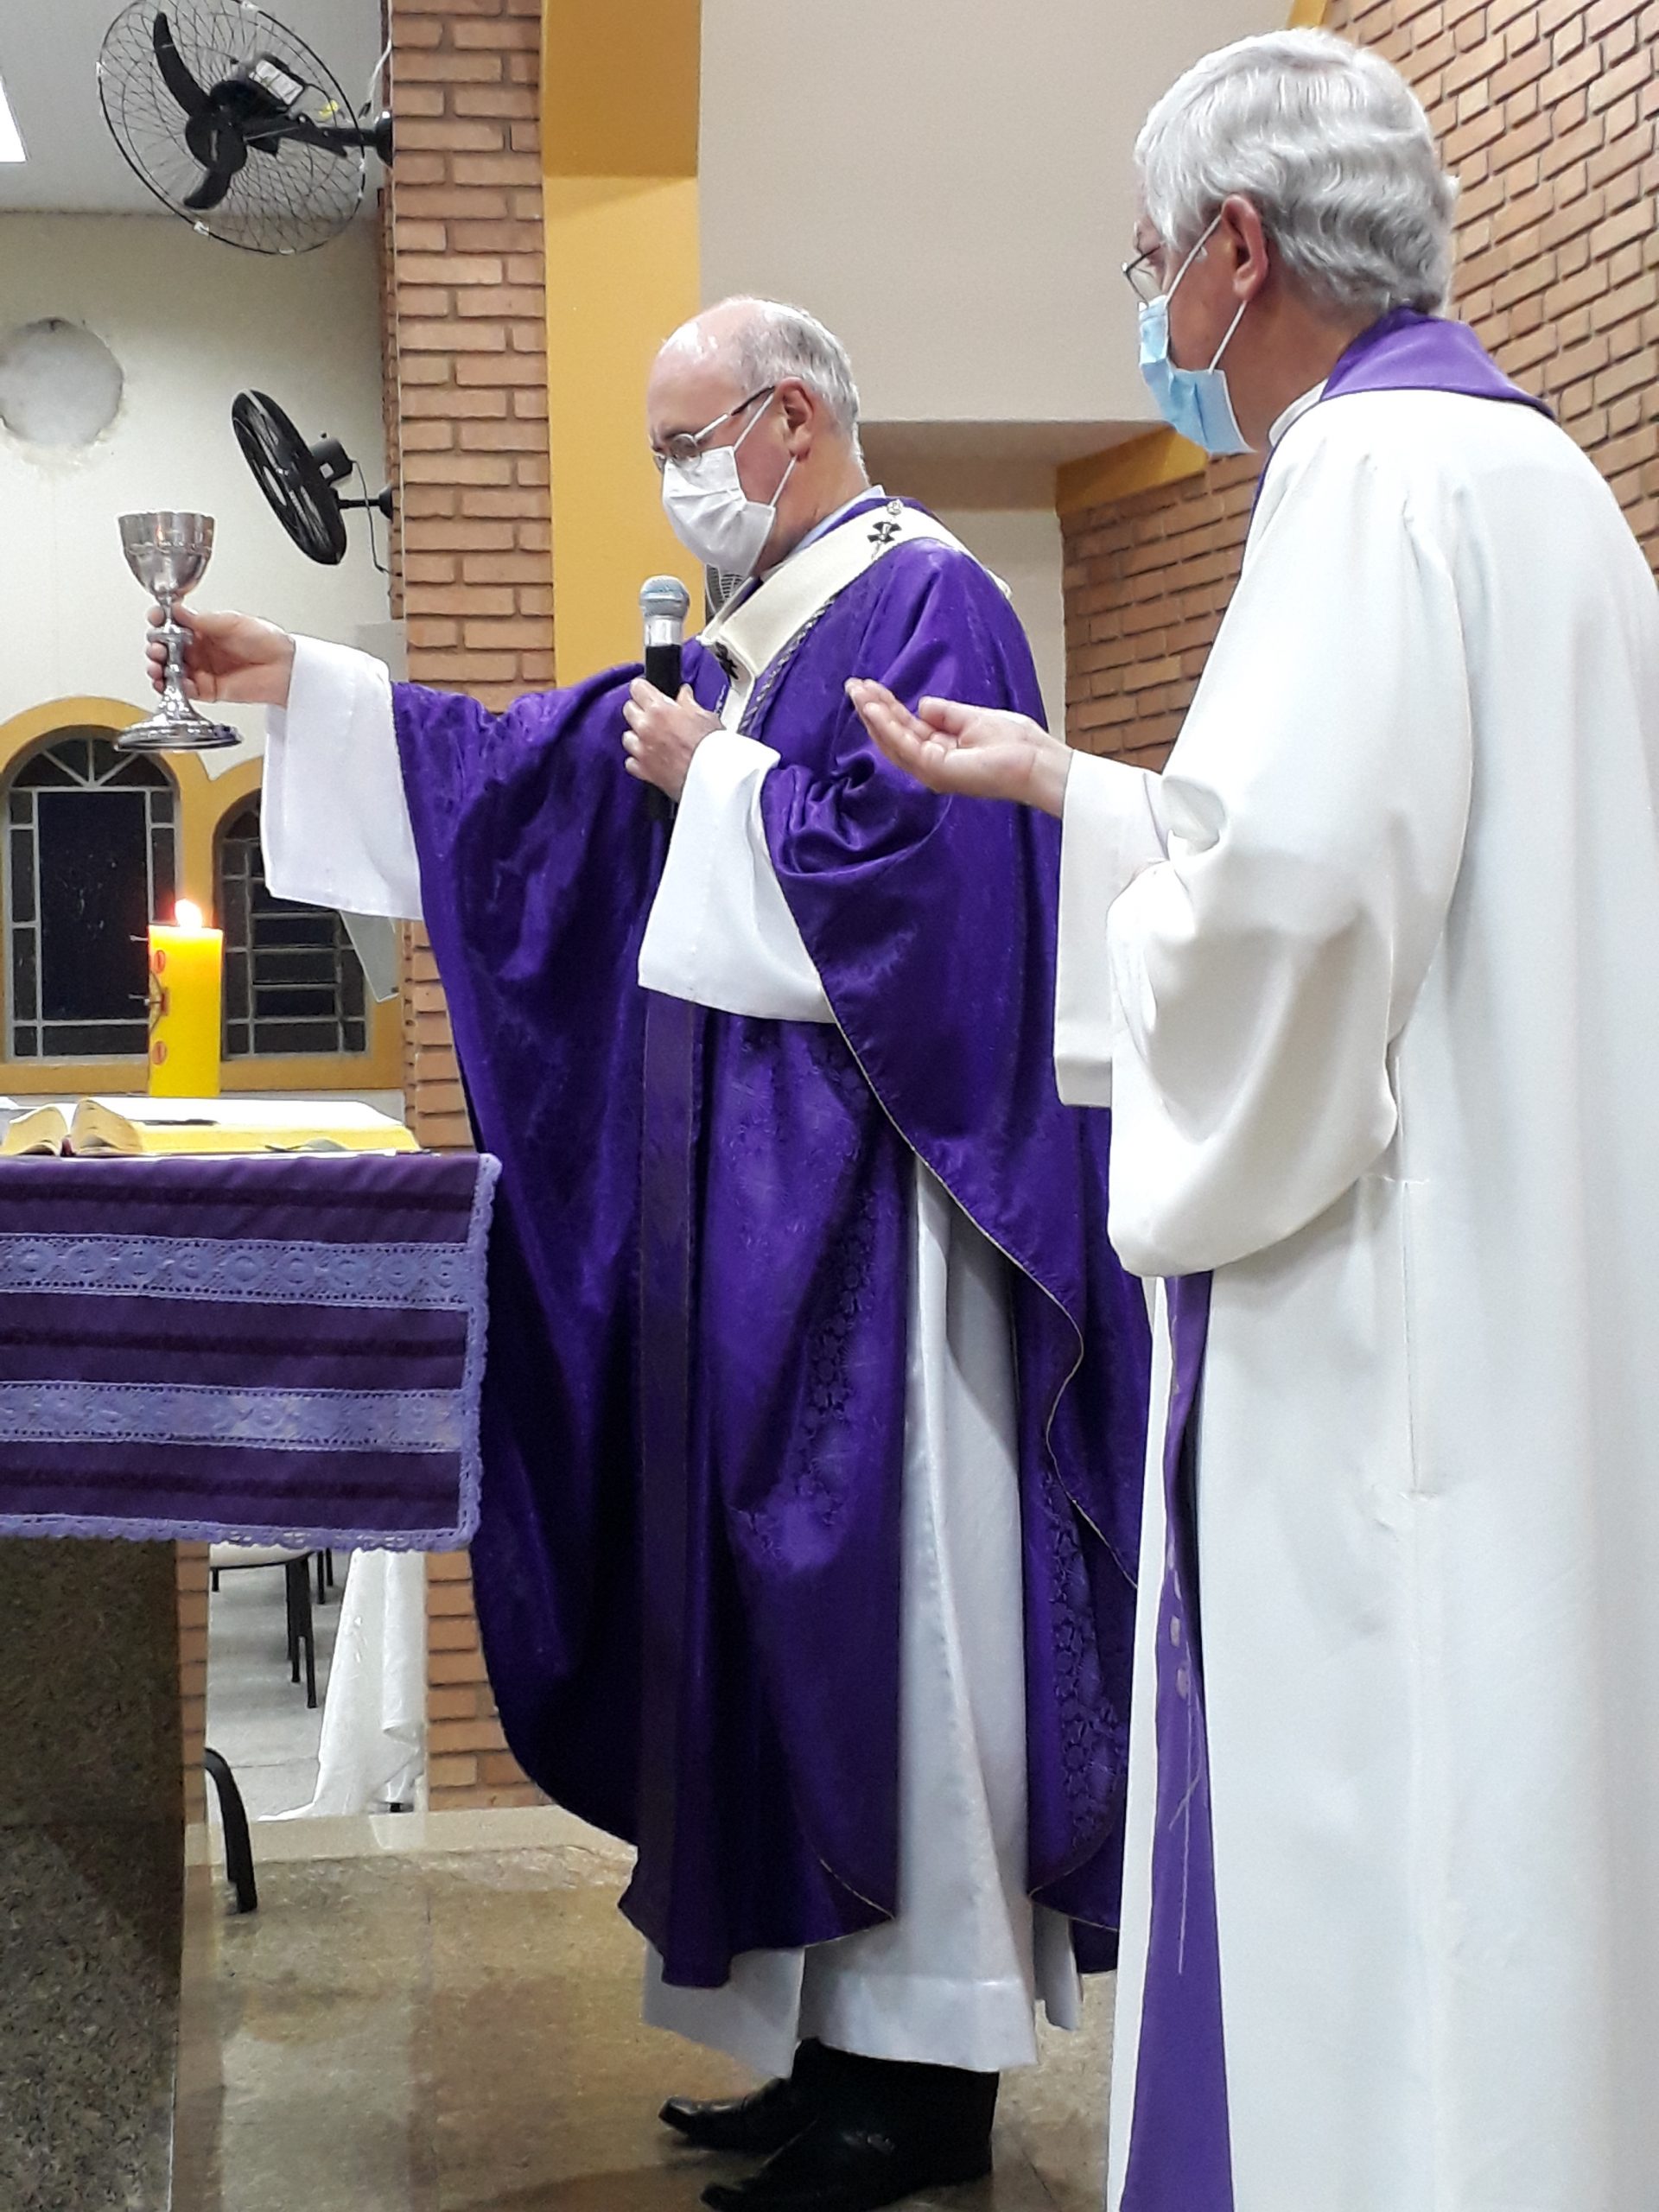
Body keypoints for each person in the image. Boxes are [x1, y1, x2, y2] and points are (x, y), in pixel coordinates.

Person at [156, 298, 1150, 2212]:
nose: (676, 479)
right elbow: (552, 769)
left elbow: (928, 891)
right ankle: (835, 2055)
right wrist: (309, 686)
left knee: (901, 1629)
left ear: (793, 420)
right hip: (766, 1223)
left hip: (886, 1238)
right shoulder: (773, 621)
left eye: (690, 440)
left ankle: (925, 2087)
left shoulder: (929, 598)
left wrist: (722, 783)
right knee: (794, 1639)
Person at [850, 32, 1659, 2212]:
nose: (1155, 318)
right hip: (1547, 1299)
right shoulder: (1545, 486)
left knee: (1383, 1876)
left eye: (1149, 266)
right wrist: (1072, 789)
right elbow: (1380, 859)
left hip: (1391, 1329)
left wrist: (1141, 961)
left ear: (1237, 247)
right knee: (1534, 1866)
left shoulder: (1358, 475)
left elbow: (1287, 918)